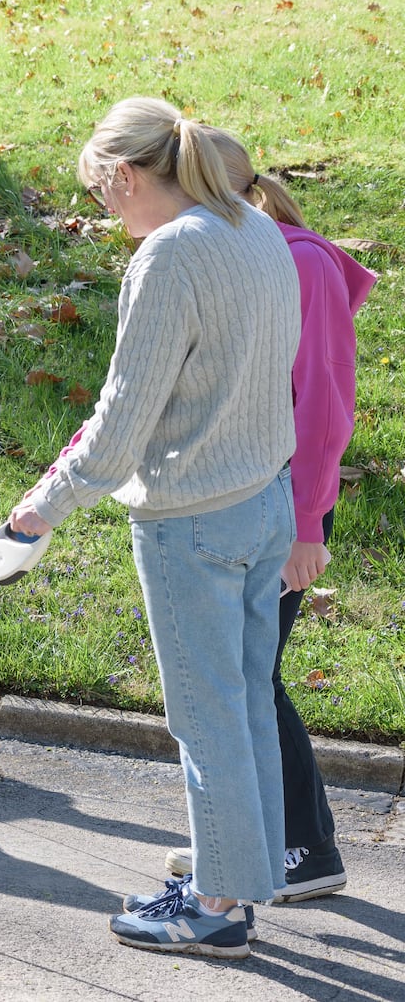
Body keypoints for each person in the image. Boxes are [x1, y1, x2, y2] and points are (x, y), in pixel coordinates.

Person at [8, 98, 300, 959]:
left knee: (207, 720)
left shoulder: (170, 257)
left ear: (127, 177)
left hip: (192, 522)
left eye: (103, 198)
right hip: (266, 501)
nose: (109, 218)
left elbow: (122, 416)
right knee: (245, 705)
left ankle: (215, 909)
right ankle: (244, 877)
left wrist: (41, 508)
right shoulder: (253, 224)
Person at [148, 128, 375, 901]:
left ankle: (302, 850)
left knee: (251, 681)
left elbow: (324, 408)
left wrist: (310, 523)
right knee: (241, 678)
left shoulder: (296, 259)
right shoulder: (238, 253)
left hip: (284, 503)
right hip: (252, 493)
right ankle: (243, 842)